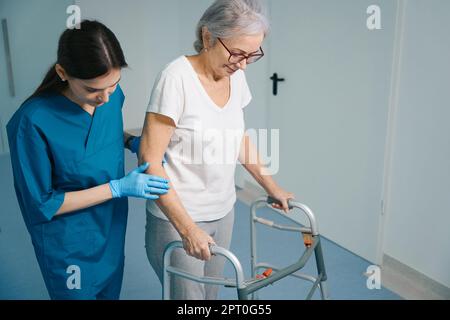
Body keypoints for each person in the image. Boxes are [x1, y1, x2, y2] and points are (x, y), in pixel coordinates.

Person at [140, 0, 294, 300]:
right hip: (179, 217)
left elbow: (238, 138)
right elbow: (150, 161)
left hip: (222, 211)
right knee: (189, 302)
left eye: (252, 55)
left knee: (212, 297)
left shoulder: (236, 75)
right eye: (237, 53)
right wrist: (187, 229)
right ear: (208, 36)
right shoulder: (175, 79)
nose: (243, 64)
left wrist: (271, 186)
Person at [6, 20, 170, 300]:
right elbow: (42, 203)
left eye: (113, 84)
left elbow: (102, 133)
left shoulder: (110, 96)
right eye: (93, 90)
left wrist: (130, 141)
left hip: (110, 227)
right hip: (69, 243)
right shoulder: (31, 123)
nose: (106, 97)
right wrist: (117, 188)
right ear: (62, 72)